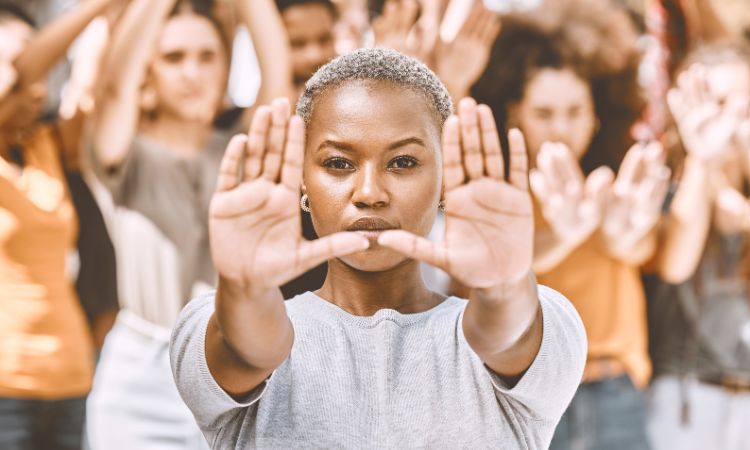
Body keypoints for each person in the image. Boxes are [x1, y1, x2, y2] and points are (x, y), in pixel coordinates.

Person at [170, 47, 587, 448]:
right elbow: (249, 349)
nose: (370, 193)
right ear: (302, 179)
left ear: (445, 177)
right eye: (338, 163)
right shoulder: (212, 321)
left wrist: (503, 287)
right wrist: (245, 289)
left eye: (402, 162)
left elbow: (505, 334)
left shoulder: (546, 320)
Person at [83, 0, 291, 448]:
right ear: (148, 71)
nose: (191, 72)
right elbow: (115, 88)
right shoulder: (122, 150)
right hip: (140, 367)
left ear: (225, 67)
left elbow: (278, 82)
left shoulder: (242, 148)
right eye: (173, 58)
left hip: (230, 359)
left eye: (207, 56)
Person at [472, 2, 669, 449]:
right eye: (544, 113)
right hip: (523, 394)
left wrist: (621, 234)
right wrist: (565, 233)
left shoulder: (619, 178)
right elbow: (490, 275)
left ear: (597, 113)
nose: (561, 128)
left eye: (575, 111)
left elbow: (641, 250)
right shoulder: (492, 188)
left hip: (614, 391)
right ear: (513, 113)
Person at [0, 1, 122, 448]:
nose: (36, 85)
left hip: (72, 377)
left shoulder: (46, 145)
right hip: (6, 389)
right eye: (16, 62)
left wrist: (111, 19)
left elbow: (90, 82)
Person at [647, 42, 750, 450]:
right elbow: (676, 265)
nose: (735, 120)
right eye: (720, 102)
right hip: (686, 398)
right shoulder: (666, 185)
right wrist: (703, 161)